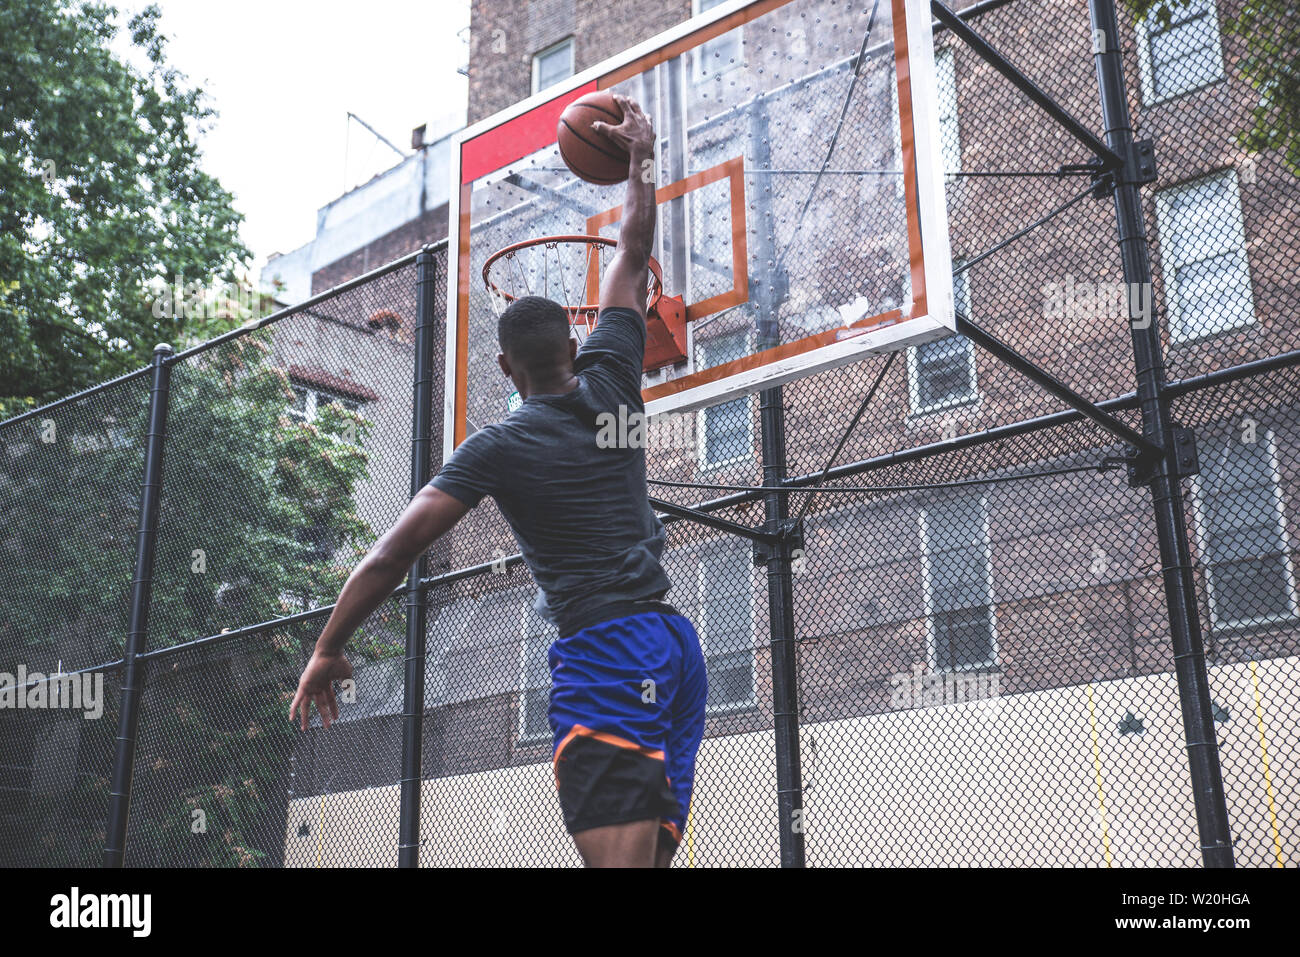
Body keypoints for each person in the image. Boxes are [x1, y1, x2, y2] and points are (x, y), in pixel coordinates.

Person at [290, 95, 706, 868]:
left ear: (506, 367)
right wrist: (642, 158)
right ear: (575, 351)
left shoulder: (497, 446)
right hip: (673, 646)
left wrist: (328, 646)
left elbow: (390, 553)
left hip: (610, 653)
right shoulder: (614, 373)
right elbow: (632, 247)